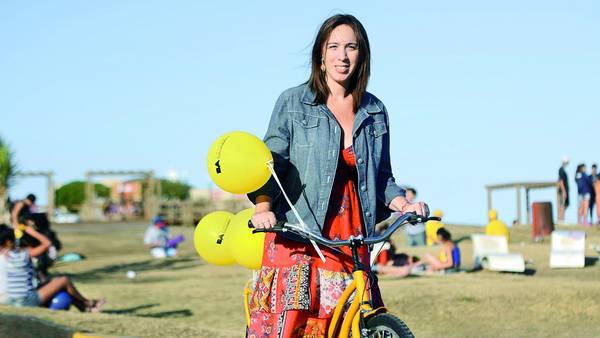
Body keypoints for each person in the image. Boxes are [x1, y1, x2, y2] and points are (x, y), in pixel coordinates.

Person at [247, 14, 429, 337]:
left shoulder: (374, 112)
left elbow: (382, 177)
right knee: (293, 328)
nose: (342, 56)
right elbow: (269, 165)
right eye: (333, 47)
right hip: (300, 237)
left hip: (350, 241)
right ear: (321, 54)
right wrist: (263, 209)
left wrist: (403, 204)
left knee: (353, 324)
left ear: (362, 56)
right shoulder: (292, 103)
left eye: (351, 47)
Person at [0, 224, 104, 312]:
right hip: (24, 301)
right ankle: (87, 303)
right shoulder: (23, 254)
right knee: (63, 280)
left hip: (4, 301)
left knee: (48, 283)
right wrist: (29, 230)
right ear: (8, 241)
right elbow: (47, 243)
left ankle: (85, 307)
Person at [557, 157, 570, 223]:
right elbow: (561, 181)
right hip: (562, 190)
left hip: (564, 190)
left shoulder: (562, 170)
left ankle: (561, 218)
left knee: (565, 204)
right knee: (562, 204)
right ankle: (561, 218)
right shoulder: (561, 170)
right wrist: (564, 191)